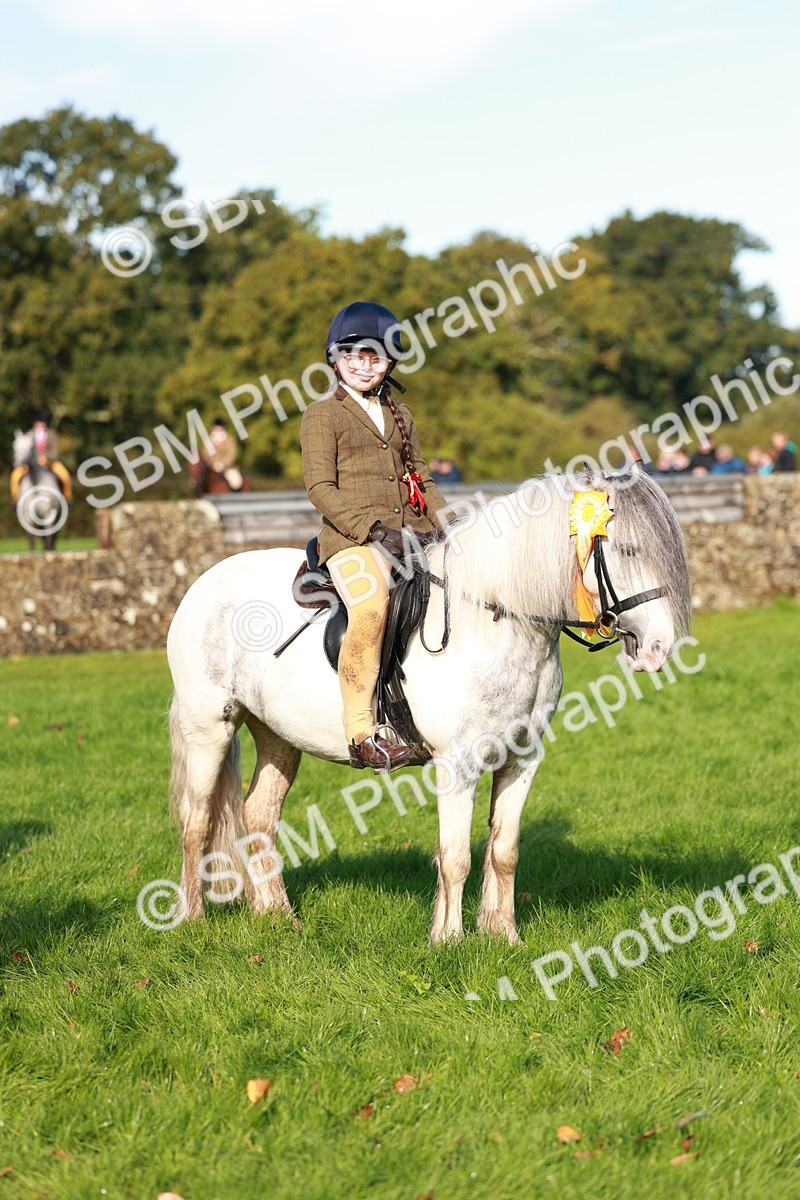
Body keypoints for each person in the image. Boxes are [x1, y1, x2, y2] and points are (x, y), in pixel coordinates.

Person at [300, 301, 448, 772]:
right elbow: (319, 488)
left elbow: (420, 477)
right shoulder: (323, 415)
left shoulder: (401, 414)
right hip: (351, 540)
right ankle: (361, 732)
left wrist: (449, 527)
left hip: (411, 534)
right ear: (336, 359)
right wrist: (373, 530)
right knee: (371, 604)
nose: (365, 364)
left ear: (390, 362)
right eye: (355, 355)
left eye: (376, 356)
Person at [10, 411, 72, 503]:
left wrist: (47, 458)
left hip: (49, 463)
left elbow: (55, 450)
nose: (39, 425)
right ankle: (15, 501)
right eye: (37, 422)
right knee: (15, 476)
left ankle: (67, 499)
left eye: (41, 422)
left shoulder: (52, 434)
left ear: (45, 423)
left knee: (65, 475)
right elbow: (24, 450)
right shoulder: (29, 435)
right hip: (30, 464)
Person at [199, 418, 244, 491]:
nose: (217, 430)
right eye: (216, 428)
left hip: (226, 467)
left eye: (219, 428)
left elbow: (231, 454)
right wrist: (213, 463)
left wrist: (222, 464)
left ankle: (236, 497)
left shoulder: (230, 440)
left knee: (236, 481)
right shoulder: (208, 441)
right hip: (211, 467)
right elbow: (205, 453)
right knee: (198, 479)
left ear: (223, 428)